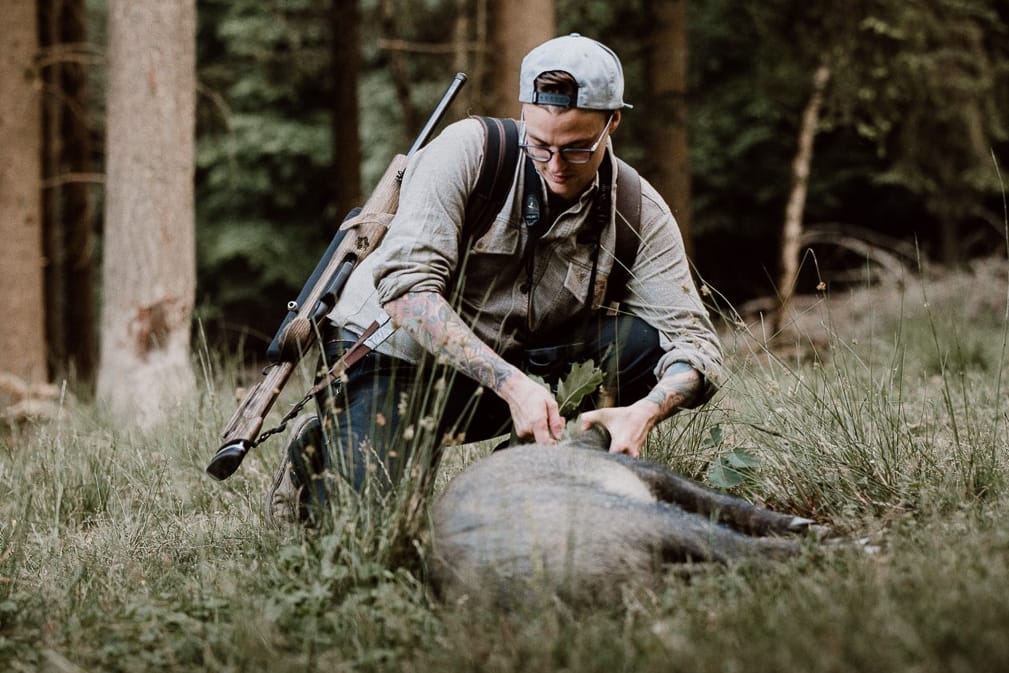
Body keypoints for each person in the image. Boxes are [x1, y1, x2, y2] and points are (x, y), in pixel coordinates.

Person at [267, 33, 723, 522]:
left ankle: (528, 471)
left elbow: (694, 341)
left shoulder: (637, 209)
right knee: (376, 530)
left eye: (575, 149)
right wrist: (513, 386)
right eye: (541, 146)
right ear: (524, 110)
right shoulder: (466, 152)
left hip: (510, 366)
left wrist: (648, 409)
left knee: (639, 345)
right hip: (390, 358)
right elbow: (407, 293)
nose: (555, 166)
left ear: (613, 121)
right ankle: (319, 449)